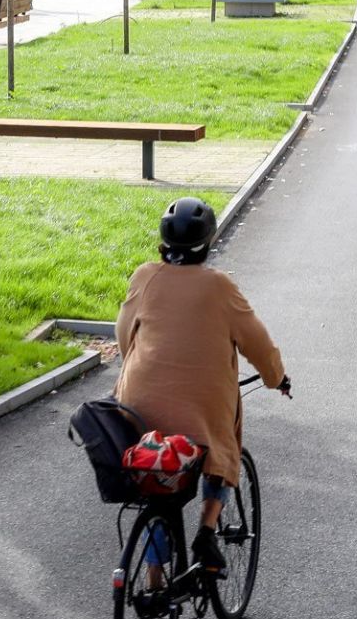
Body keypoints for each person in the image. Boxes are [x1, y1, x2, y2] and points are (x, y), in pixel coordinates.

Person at [113, 198, 290, 576]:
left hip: (138, 404)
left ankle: (154, 578)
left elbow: (124, 334)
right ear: (208, 243)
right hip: (201, 408)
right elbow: (257, 343)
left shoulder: (145, 277)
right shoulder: (220, 286)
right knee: (220, 450)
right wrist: (277, 379)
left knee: (157, 481)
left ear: (163, 244)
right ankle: (208, 529)